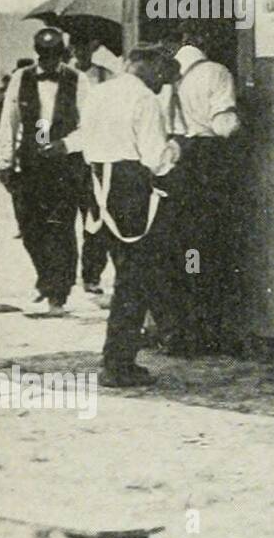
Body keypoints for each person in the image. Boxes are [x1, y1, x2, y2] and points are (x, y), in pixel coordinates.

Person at [52, 45, 182, 385]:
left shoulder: (99, 93)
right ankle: (119, 362)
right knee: (135, 278)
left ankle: (153, 339)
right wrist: (177, 149)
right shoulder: (145, 100)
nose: (162, 82)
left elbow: (84, 138)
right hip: (130, 188)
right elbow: (156, 158)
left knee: (130, 272)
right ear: (149, 69)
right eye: (162, 75)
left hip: (97, 185)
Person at [159, 25, 242, 356]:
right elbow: (224, 127)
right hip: (206, 167)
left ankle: (178, 332)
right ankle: (205, 331)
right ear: (205, 40)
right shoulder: (216, 73)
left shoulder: (163, 75)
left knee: (180, 250)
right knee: (206, 248)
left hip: (174, 165)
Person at [0, 28, 89, 316]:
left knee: (60, 227)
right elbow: (8, 123)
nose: (49, 62)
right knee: (30, 228)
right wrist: (4, 162)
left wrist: (66, 144)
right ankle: (45, 278)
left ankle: (58, 292)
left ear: (63, 55)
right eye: (44, 56)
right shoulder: (21, 78)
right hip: (30, 164)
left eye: (54, 56)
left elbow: (89, 123)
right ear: (38, 54)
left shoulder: (78, 80)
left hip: (65, 164)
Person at [68, 36, 115, 295]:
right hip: (69, 156)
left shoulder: (106, 76)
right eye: (76, 46)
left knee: (95, 217)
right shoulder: (65, 76)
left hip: (96, 154)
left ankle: (91, 274)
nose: (81, 50)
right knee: (62, 219)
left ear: (94, 47)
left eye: (85, 45)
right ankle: (60, 275)